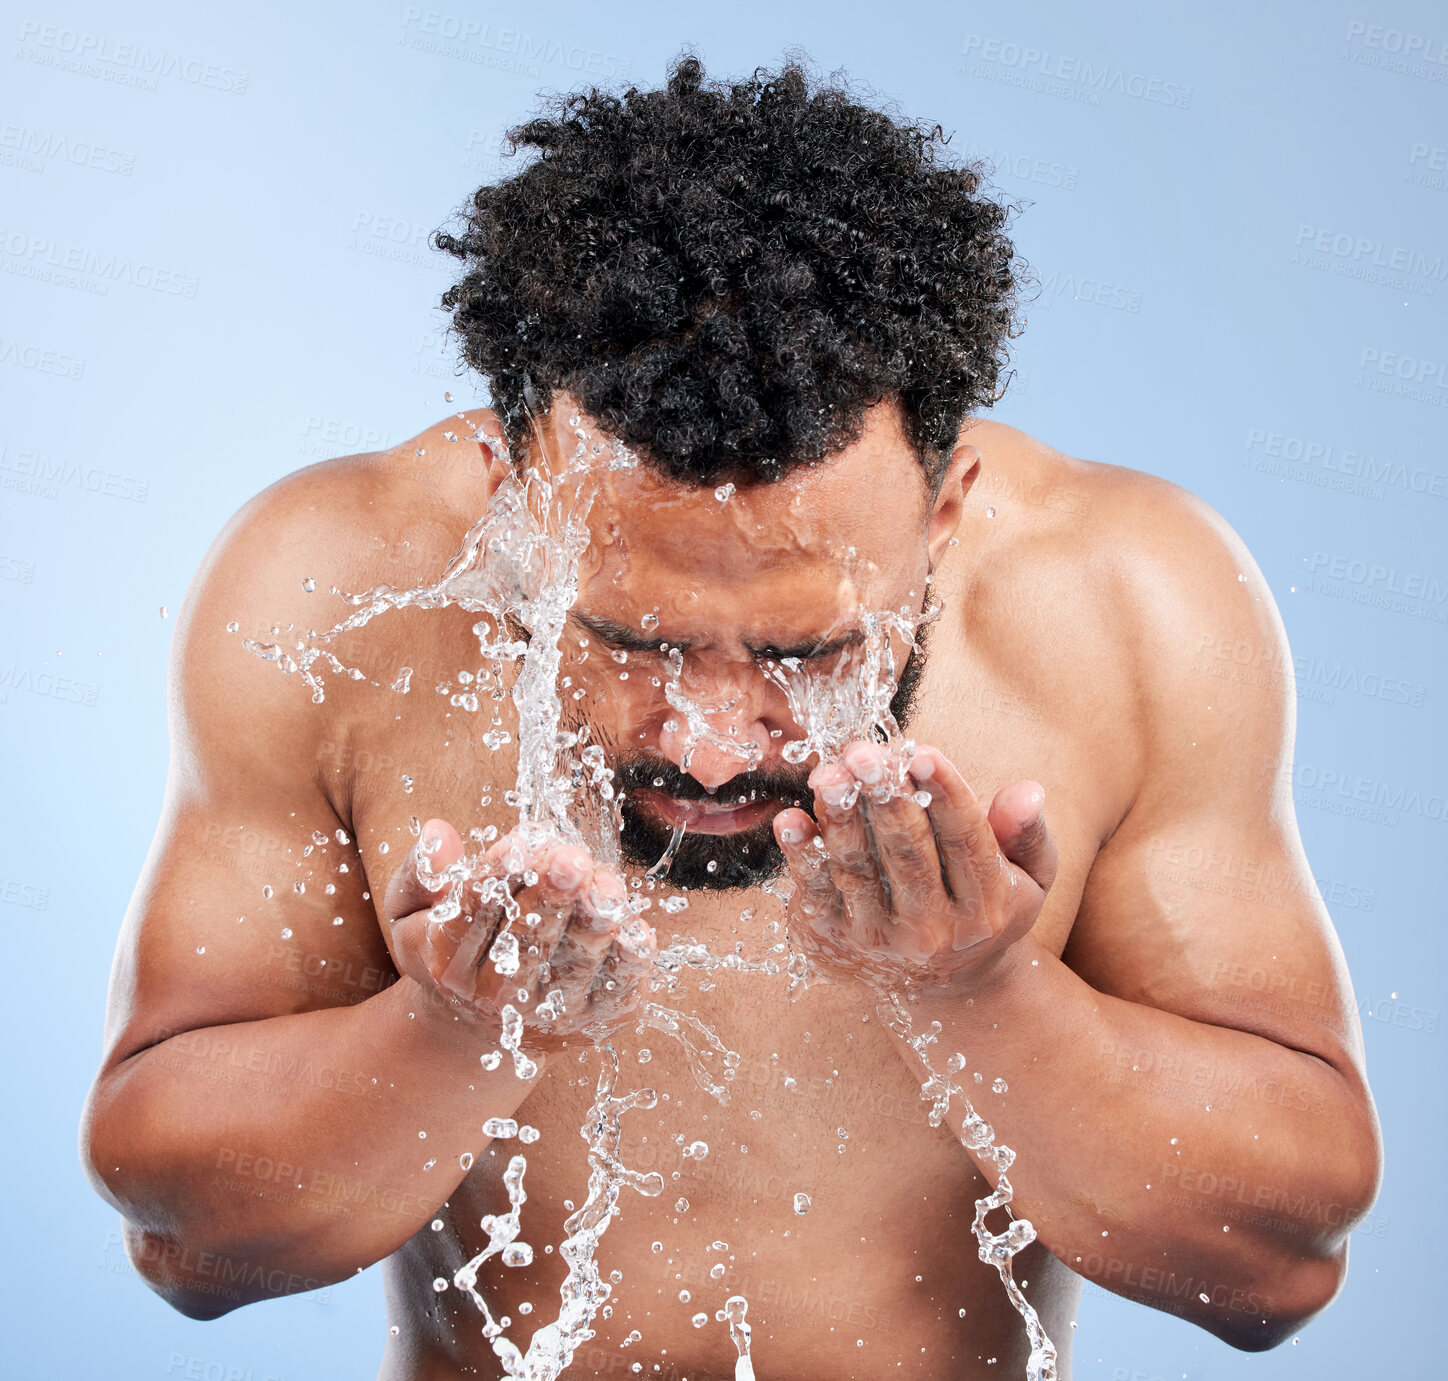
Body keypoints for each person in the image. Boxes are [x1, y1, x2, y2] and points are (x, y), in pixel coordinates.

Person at [81, 53, 1381, 1380]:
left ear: (945, 513)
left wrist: (987, 995)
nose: (708, 739)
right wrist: (452, 1034)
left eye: (804, 650)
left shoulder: (1127, 612)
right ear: (508, 498)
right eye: (629, 639)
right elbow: (184, 1238)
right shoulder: (331, 592)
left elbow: (1282, 1261)